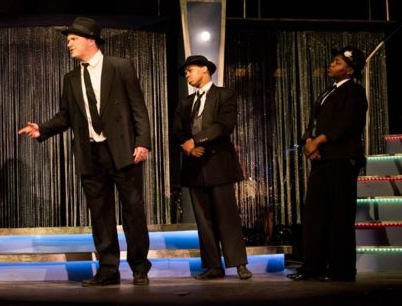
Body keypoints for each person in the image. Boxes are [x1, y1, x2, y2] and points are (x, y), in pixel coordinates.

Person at [18, 17, 152, 286]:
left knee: (133, 211)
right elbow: (66, 116)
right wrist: (42, 129)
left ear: (90, 39)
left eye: (73, 39)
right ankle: (108, 269)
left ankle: (139, 266)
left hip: (124, 150)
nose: (68, 44)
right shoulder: (70, 78)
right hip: (91, 153)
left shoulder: (120, 67)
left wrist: (143, 142)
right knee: (100, 214)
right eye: (68, 40)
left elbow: (138, 107)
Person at [287, 46, 368, 282]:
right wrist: (308, 142)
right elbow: (314, 121)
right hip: (322, 160)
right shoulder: (327, 92)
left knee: (340, 216)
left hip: (342, 159)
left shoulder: (354, 92)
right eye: (332, 61)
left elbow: (346, 123)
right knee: (315, 214)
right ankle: (314, 267)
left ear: (350, 70)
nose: (331, 65)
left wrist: (319, 141)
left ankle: (342, 270)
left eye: (337, 62)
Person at [171, 55, 252, 280]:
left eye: (190, 70)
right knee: (204, 221)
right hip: (194, 166)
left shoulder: (225, 95)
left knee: (227, 217)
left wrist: (196, 141)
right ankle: (213, 266)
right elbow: (176, 131)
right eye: (186, 72)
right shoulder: (186, 102)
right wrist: (187, 148)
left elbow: (223, 126)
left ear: (205, 70)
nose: (187, 75)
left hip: (218, 164)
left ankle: (239, 264)